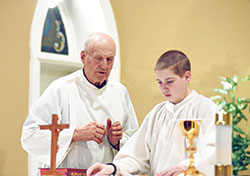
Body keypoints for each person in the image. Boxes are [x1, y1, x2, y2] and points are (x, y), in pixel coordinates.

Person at [87, 50, 219, 176]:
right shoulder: (157, 113)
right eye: (159, 82)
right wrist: (113, 168)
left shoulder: (207, 109)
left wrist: (184, 166)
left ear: (187, 77)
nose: (163, 88)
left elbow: (215, 152)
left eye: (169, 81)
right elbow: (136, 154)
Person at [21, 32, 139, 173]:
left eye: (109, 59)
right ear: (83, 57)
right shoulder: (60, 88)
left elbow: (136, 146)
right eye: (98, 58)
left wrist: (117, 142)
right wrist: (74, 134)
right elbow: (29, 136)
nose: (104, 65)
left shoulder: (120, 92)